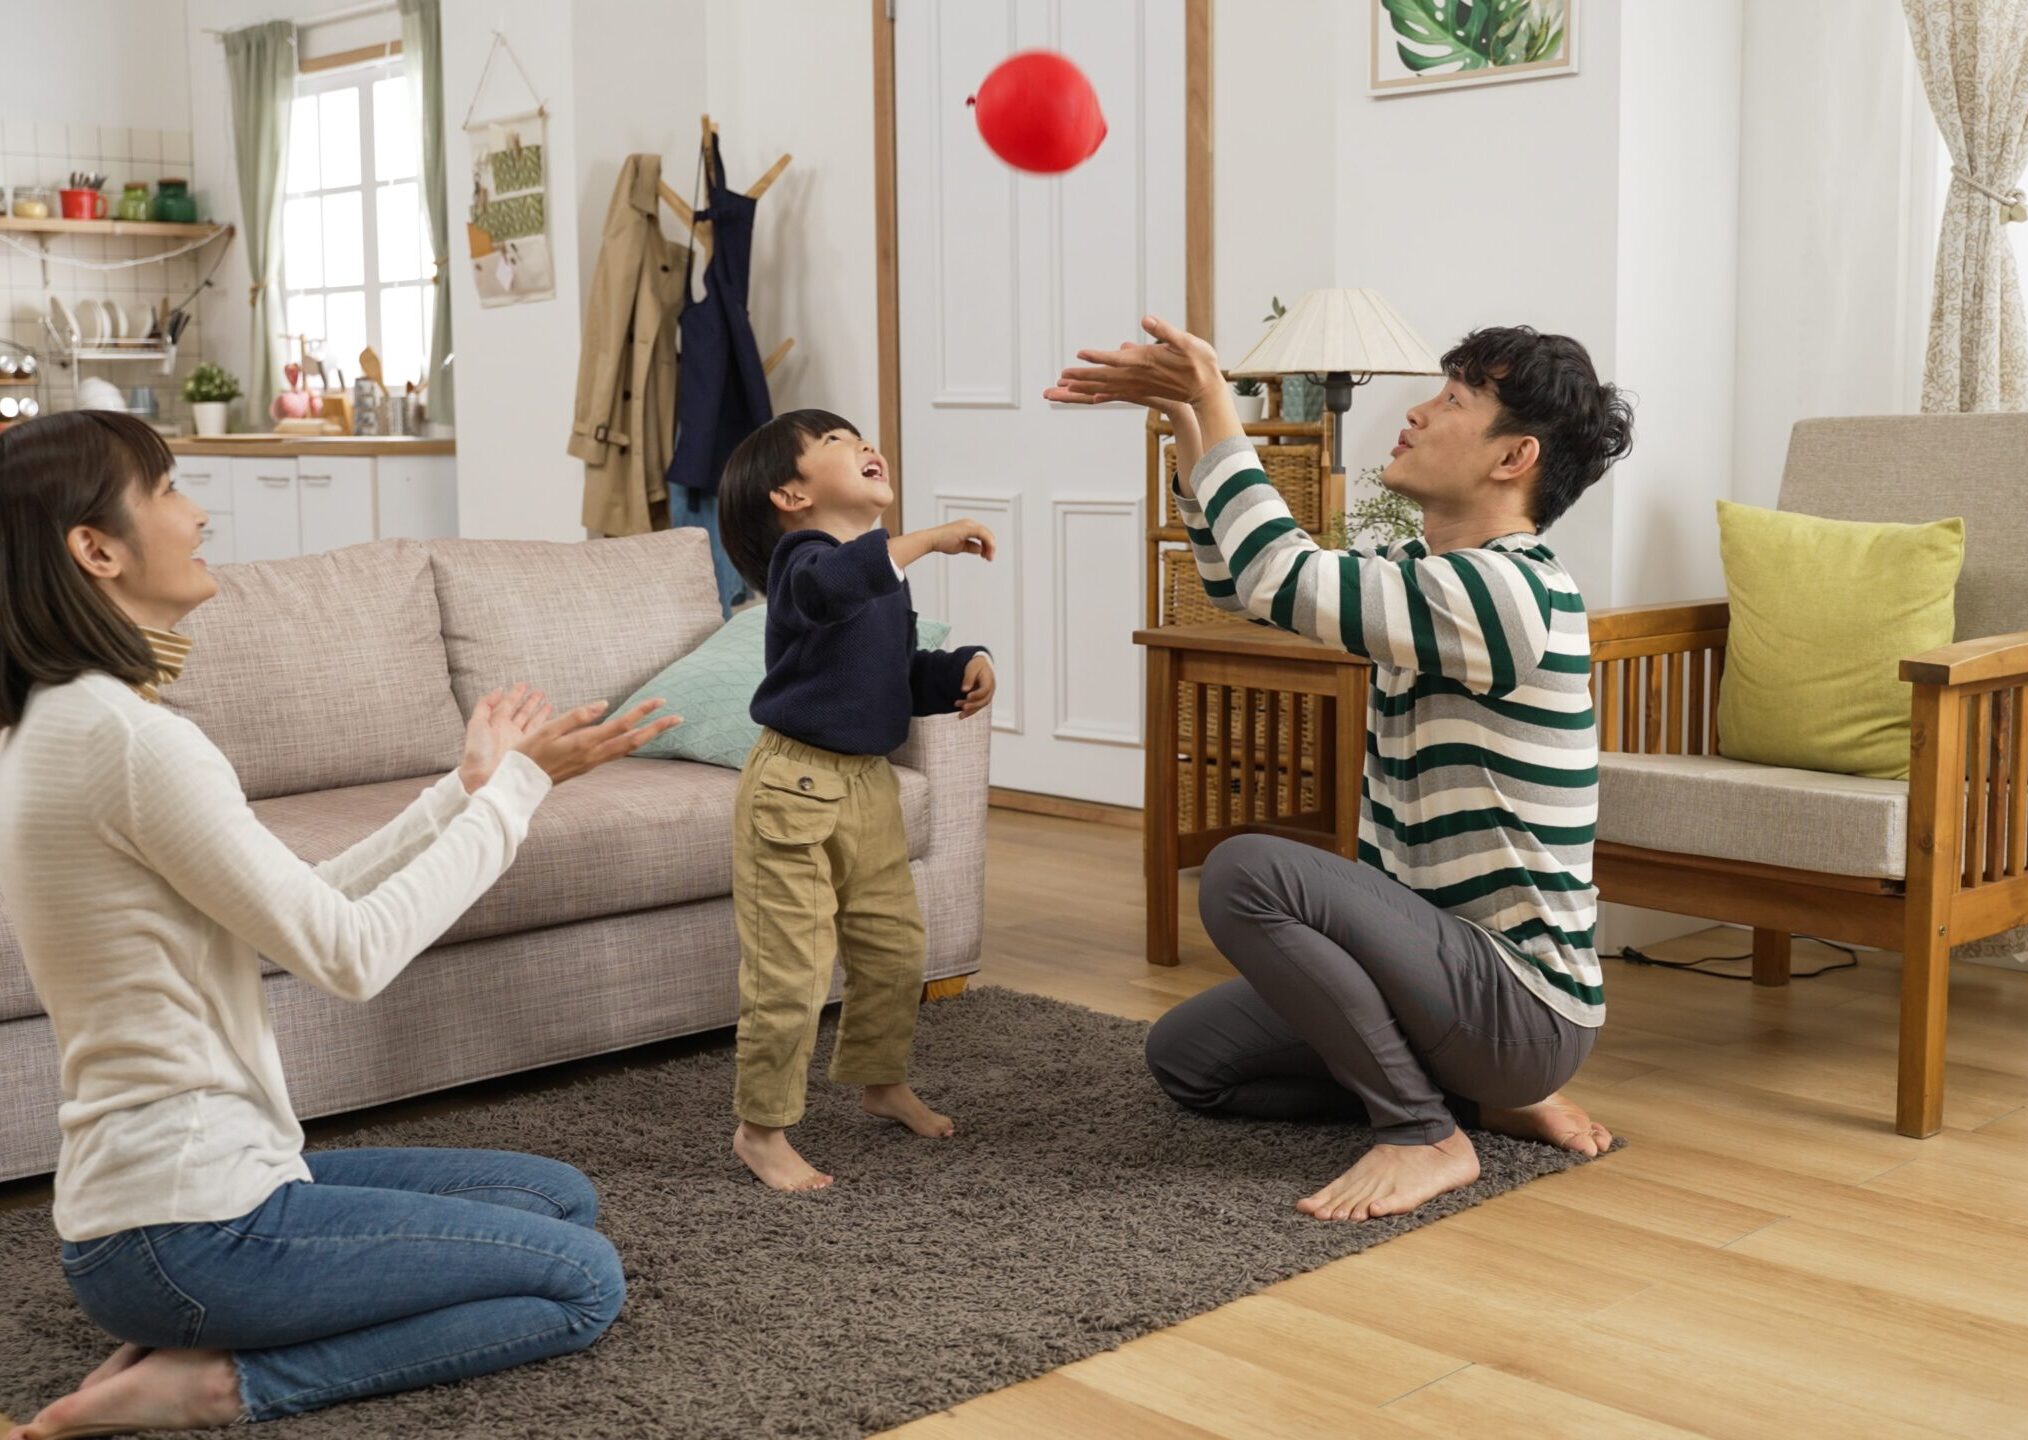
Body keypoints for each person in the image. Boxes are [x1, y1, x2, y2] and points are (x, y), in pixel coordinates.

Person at [0, 410, 680, 1437]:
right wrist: (521, 791)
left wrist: (464, 790)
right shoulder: (136, 743)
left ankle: (184, 1334)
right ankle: (216, 1385)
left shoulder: (69, 723)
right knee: (580, 1282)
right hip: (192, 1231)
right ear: (95, 549)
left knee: (555, 1200)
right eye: (171, 490)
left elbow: (301, 910)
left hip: (161, 1213)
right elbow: (349, 955)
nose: (197, 514)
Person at [1047, 318, 1631, 1221]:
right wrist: (1186, 419)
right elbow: (1243, 583)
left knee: (1247, 870)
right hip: (1436, 984)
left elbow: (1279, 571)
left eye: (1452, 401)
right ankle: (1476, 1104)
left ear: (1512, 457)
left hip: (1518, 1001)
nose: (1416, 412)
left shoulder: (1508, 592)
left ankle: (1422, 1133)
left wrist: (1212, 397)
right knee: (1188, 1061)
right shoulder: (1423, 574)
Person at [716, 410, 996, 1191]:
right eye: (835, 444)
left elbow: (891, 673)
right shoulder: (802, 567)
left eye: (861, 436)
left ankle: (880, 1082)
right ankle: (761, 1129)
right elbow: (835, 587)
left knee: (893, 949)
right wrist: (924, 541)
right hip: (792, 789)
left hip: (867, 786)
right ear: (789, 495)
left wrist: (960, 668)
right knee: (790, 974)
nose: (865, 445)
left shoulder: (879, 580)